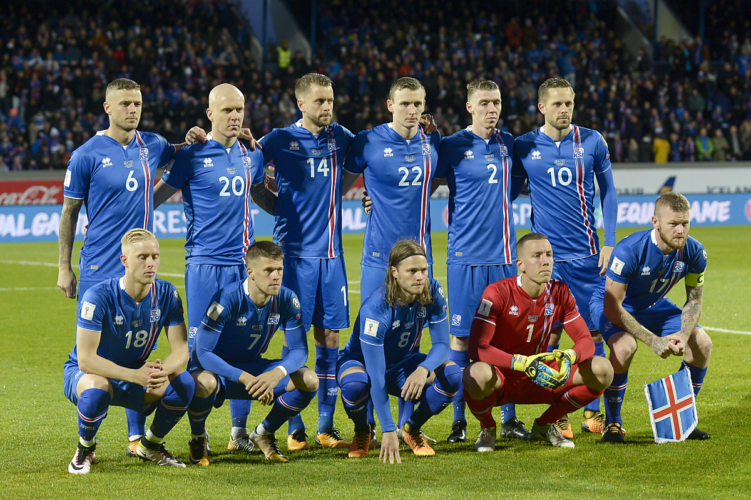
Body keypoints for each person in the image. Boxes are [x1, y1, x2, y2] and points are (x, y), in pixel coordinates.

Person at [58, 78, 183, 456]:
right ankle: (89, 437)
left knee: (139, 346)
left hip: (138, 261)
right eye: (125, 103)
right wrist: (64, 265)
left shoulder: (153, 145)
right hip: (99, 266)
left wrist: (195, 137)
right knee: (99, 356)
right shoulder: (86, 155)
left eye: (138, 103)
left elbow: (181, 156)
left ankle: (135, 438)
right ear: (107, 108)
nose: (133, 109)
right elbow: (69, 212)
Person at [153, 83, 274, 456]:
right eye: (226, 110)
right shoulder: (191, 154)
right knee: (199, 353)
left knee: (245, 349)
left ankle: (238, 432)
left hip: (244, 266)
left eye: (239, 109)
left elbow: (262, 195)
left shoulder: (251, 154)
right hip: (205, 266)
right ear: (210, 115)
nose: (235, 116)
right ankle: (198, 434)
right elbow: (154, 196)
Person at [512, 77, 617, 438]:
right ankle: (559, 411)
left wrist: (610, 242)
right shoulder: (524, 146)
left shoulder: (592, 141)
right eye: (557, 104)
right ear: (541, 107)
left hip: (588, 259)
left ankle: (592, 411)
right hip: (547, 263)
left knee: (594, 333)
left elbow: (610, 193)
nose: (564, 110)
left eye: (569, 103)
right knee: (549, 339)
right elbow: (504, 193)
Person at [257, 73, 356, 450]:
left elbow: (367, 165)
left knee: (329, 338)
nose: (327, 107)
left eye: (330, 100)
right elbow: (248, 169)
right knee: (295, 342)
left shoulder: (342, 137)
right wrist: (275, 203)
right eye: (319, 101)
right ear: (301, 104)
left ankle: (326, 426)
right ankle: (294, 426)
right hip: (294, 258)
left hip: (331, 256)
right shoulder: (280, 139)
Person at [344, 77, 441, 435]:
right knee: (373, 341)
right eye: (405, 104)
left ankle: (405, 426)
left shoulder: (432, 142)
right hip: (377, 261)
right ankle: (368, 424)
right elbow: (341, 186)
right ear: (390, 105)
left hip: (419, 261)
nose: (412, 110)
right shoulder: (367, 141)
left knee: (410, 345)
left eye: (418, 103)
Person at [433, 80, 525, 443]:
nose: (492, 108)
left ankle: (509, 418)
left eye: (497, 102)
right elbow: (422, 184)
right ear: (470, 107)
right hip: (464, 260)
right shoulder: (452, 146)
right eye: (485, 102)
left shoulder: (510, 144)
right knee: (461, 341)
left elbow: (516, 187)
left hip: (503, 259)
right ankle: (459, 422)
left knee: (507, 340)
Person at [463, 233, 613, 451]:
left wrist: (569, 357)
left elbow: (586, 342)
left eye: (549, 255)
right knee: (476, 374)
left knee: (603, 369)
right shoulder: (497, 292)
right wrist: (522, 363)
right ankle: (487, 427)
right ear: (521, 265)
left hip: (541, 374)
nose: (546, 261)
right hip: (503, 376)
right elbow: (477, 348)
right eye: (537, 256)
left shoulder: (560, 291)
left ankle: (545, 423)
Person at [63, 229, 194, 474]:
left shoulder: (167, 294)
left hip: (136, 376)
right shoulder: (97, 296)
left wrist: (161, 372)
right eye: (142, 257)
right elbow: (86, 360)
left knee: (184, 382)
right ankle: (86, 447)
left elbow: (181, 350)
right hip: (90, 374)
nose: (150, 263)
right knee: (97, 389)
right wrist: (136, 376)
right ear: (124, 260)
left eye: (155, 256)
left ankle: (150, 444)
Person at [590, 192, 712, 442]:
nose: (681, 230)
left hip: (652, 305)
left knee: (702, 343)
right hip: (610, 303)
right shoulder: (629, 250)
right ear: (655, 222)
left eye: (685, 223)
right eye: (673, 224)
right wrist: (653, 340)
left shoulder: (695, 252)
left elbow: (695, 300)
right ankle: (612, 423)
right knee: (624, 347)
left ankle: (683, 419)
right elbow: (613, 306)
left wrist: (683, 333)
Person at [185, 241, 318, 464]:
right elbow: (203, 352)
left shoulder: (287, 298)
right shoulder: (226, 298)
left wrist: (276, 373)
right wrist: (245, 378)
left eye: (279, 270)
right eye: (268, 270)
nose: (276, 276)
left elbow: (299, 350)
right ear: (251, 273)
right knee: (203, 383)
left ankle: (263, 432)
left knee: (309, 380)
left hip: (254, 367)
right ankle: (198, 437)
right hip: (218, 371)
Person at [336, 240, 461, 462]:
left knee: (452, 375)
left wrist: (423, 369)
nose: (420, 277)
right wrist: (387, 429)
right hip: (361, 363)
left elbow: (442, 344)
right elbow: (376, 376)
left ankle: (411, 428)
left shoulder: (432, 290)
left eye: (423, 270)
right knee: (355, 384)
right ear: (394, 272)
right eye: (412, 271)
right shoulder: (375, 309)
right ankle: (363, 430)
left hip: (404, 363)